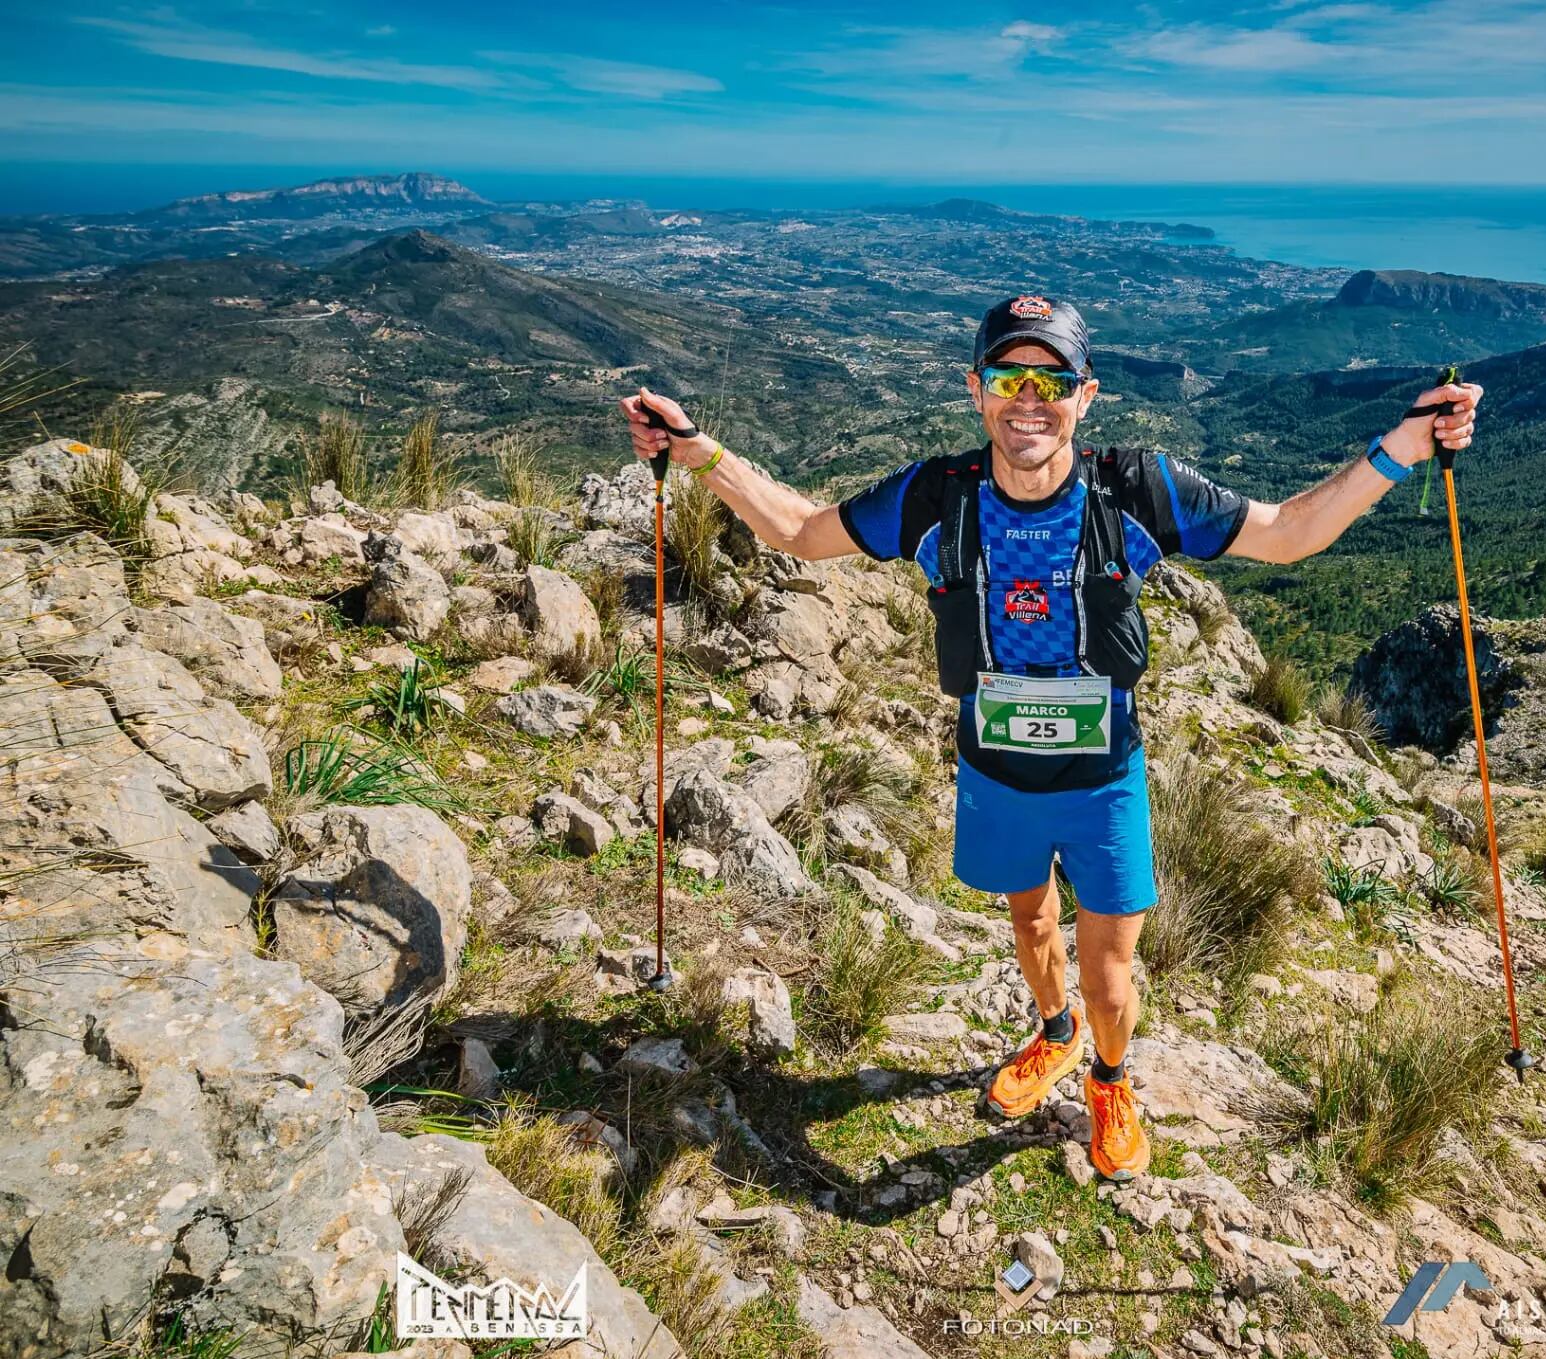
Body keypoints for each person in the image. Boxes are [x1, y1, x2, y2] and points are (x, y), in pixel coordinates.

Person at [620, 295, 1480, 1181]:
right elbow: (797, 531)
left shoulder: (1137, 490)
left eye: (1051, 381)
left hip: (1104, 776)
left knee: (1112, 974)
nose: (1029, 399)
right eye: (1008, 378)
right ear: (976, 390)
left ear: (1086, 395)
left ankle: (1110, 1076)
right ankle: (1054, 1034)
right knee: (1029, 923)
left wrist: (1402, 449)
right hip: (994, 770)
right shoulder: (934, 498)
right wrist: (698, 453)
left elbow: (1291, 533)